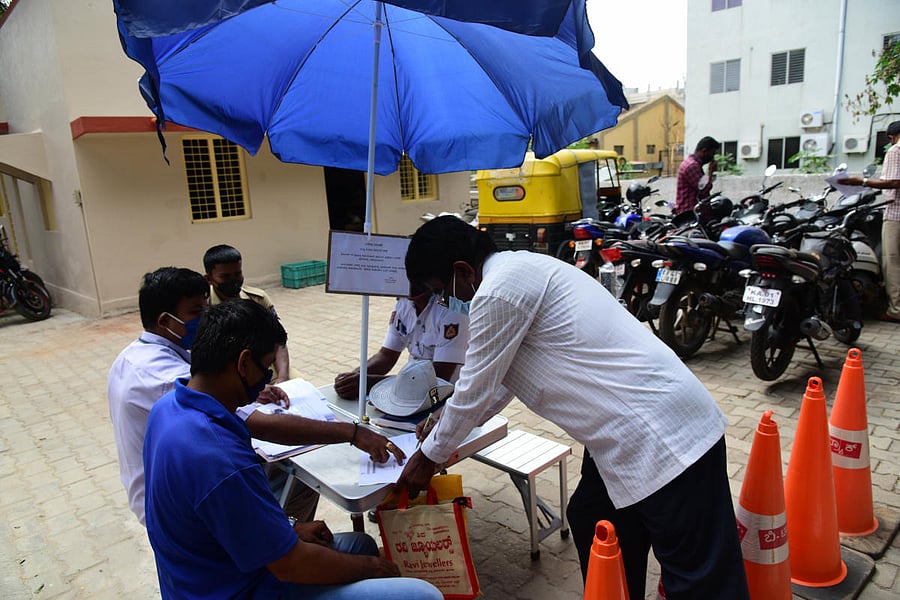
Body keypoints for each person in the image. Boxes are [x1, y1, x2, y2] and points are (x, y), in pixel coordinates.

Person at [395, 215, 750, 600]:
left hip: (664, 435)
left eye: (441, 292)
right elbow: (492, 386)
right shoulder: (519, 271)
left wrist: (428, 457)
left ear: (463, 271)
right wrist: (443, 423)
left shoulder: (498, 291)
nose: (446, 303)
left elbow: (476, 389)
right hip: (623, 433)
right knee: (593, 517)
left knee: (699, 578)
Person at [143, 299, 442, 600]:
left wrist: (289, 528)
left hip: (201, 576)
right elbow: (292, 565)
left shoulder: (169, 408)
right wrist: (374, 568)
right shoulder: (222, 461)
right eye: (266, 367)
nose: (267, 379)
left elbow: (231, 514)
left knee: (359, 545)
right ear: (243, 363)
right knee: (422, 594)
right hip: (242, 589)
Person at [108, 267, 400, 526]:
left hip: (173, 487)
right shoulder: (167, 378)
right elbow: (260, 425)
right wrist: (352, 433)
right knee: (303, 483)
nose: (204, 320)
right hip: (180, 507)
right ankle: (291, 532)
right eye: (197, 313)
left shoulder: (134, 356)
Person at [333, 281, 469, 399]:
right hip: (410, 391)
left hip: (446, 396)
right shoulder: (404, 304)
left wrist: (369, 383)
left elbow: (439, 379)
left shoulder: (451, 310)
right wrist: (355, 377)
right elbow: (386, 355)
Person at [203, 244, 299, 382]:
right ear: (209, 279)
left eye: (237, 274)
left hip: (269, 371)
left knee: (304, 389)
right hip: (229, 380)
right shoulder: (203, 308)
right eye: (225, 276)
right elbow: (207, 360)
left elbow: (278, 340)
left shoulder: (258, 299)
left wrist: (283, 377)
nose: (233, 280)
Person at [837, 120, 900, 323]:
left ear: (891, 137)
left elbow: (894, 182)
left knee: (892, 261)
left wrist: (861, 181)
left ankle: (896, 310)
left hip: (896, 214)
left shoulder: (896, 150)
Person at [674, 136, 719, 215]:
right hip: (690, 212)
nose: (712, 158)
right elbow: (704, 189)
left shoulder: (692, 163)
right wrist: (710, 171)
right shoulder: (692, 166)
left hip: (692, 210)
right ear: (704, 151)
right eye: (712, 154)